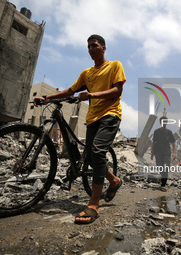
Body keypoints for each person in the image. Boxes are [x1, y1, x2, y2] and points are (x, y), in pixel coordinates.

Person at [34, 34, 126, 224]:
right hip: (92, 119)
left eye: (95, 45)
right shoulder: (87, 73)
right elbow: (70, 91)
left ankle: (93, 205)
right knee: (91, 157)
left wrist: (91, 94)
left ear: (104, 48)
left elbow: (117, 91)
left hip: (110, 114)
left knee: (98, 152)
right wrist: (47, 98)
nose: (91, 49)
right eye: (88, 47)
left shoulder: (114, 65)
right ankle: (114, 181)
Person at [151, 116, 177, 192]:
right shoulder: (156, 132)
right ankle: (163, 178)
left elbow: (173, 142)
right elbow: (153, 143)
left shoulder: (169, 132)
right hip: (158, 152)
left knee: (165, 168)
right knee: (159, 167)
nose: (164, 123)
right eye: (162, 121)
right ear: (160, 122)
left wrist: (174, 152)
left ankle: (163, 185)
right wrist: (152, 153)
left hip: (166, 152)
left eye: (165, 121)